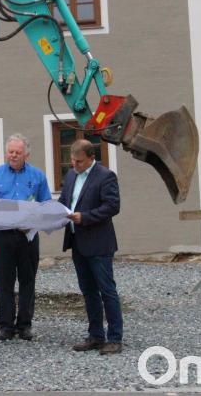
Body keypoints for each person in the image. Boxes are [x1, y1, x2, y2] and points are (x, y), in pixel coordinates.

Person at [0, 133, 51, 341]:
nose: (13, 155)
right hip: (3, 236)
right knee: (3, 282)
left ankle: (25, 325)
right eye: (10, 152)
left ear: (26, 154)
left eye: (18, 152)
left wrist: (35, 219)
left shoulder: (38, 176)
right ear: (6, 152)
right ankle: (6, 326)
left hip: (28, 236)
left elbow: (46, 204)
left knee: (28, 281)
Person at [58, 139, 123, 355]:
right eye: (72, 161)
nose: (74, 165)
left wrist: (84, 217)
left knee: (107, 291)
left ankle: (114, 338)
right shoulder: (70, 175)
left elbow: (113, 206)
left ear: (91, 158)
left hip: (99, 243)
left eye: (79, 162)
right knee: (88, 291)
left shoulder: (105, 176)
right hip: (78, 243)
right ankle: (96, 335)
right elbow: (65, 202)